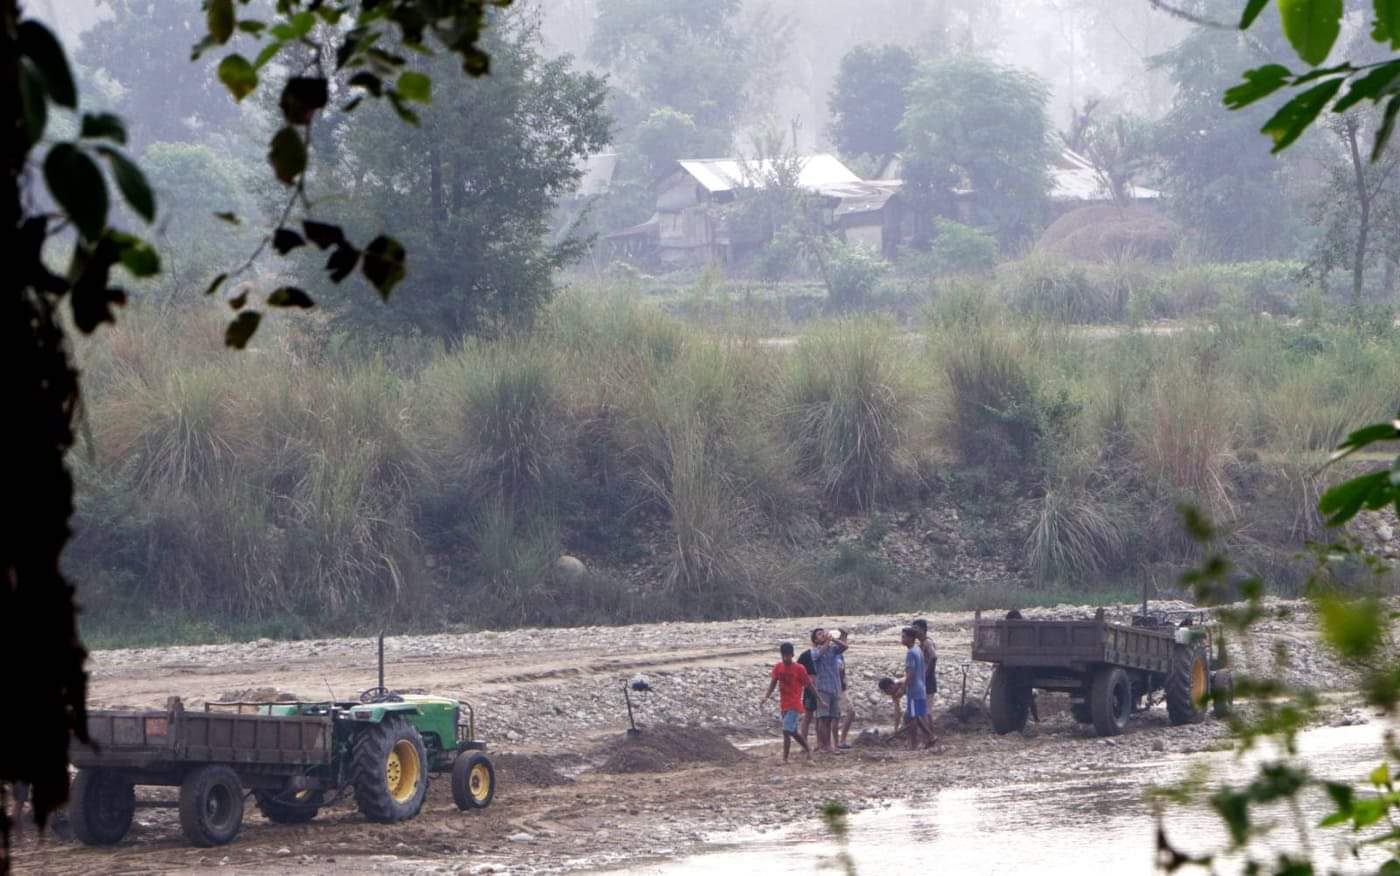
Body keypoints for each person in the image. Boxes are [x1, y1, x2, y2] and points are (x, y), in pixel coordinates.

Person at [762, 642, 815, 763]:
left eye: (788, 656)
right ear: (781, 655)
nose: (786, 658)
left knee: (786, 730)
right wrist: (766, 696)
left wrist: (819, 699)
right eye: (784, 656)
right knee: (792, 731)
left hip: (795, 704)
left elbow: (809, 685)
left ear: (792, 655)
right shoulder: (778, 667)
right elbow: (773, 683)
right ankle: (807, 749)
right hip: (784, 704)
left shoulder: (799, 668)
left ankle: (784, 758)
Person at [808, 627, 848, 753]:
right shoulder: (814, 651)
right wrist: (827, 642)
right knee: (823, 718)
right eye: (819, 634)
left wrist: (834, 639)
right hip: (822, 689)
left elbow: (845, 647)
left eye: (823, 633)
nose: (823, 635)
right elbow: (818, 655)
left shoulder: (832, 649)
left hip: (834, 688)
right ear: (815, 639)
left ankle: (826, 745)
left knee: (830, 719)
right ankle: (825, 745)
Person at [899, 626, 931, 750]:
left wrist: (903, 688)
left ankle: (914, 744)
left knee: (913, 718)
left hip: (914, 689)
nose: (902, 639)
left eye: (904, 637)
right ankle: (930, 737)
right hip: (921, 687)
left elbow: (910, 674)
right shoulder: (918, 650)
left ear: (911, 638)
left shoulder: (911, 653)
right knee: (917, 716)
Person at [837, 629, 856, 749]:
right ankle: (841, 739)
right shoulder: (834, 654)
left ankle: (838, 740)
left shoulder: (837, 654)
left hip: (840, 687)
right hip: (838, 688)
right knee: (850, 711)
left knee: (835, 716)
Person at [796, 642, 818, 747]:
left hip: (823, 688)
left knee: (821, 717)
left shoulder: (826, 653)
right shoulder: (806, 655)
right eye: (819, 634)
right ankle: (804, 743)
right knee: (808, 716)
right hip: (810, 689)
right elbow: (796, 669)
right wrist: (806, 681)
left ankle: (820, 743)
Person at [911, 618, 938, 701]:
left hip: (928, 679)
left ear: (923, 629)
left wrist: (926, 674)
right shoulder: (921, 644)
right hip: (924, 678)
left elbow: (933, 657)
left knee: (926, 709)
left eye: (915, 628)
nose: (913, 631)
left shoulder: (927, 642)